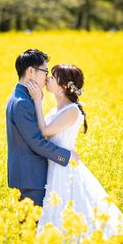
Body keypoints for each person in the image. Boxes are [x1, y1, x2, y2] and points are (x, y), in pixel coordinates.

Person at [26, 64, 123, 244]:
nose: (48, 80)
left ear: (62, 87)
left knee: (73, 213)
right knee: (58, 213)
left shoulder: (72, 111)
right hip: (57, 167)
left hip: (65, 170)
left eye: (53, 77)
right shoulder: (57, 108)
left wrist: (37, 100)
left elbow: (44, 131)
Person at [6, 49, 80, 209]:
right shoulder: (22, 102)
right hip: (30, 178)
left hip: (30, 175)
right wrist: (66, 157)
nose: (47, 77)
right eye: (45, 71)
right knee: (32, 229)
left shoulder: (22, 97)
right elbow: (37, 142)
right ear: (31, 71)